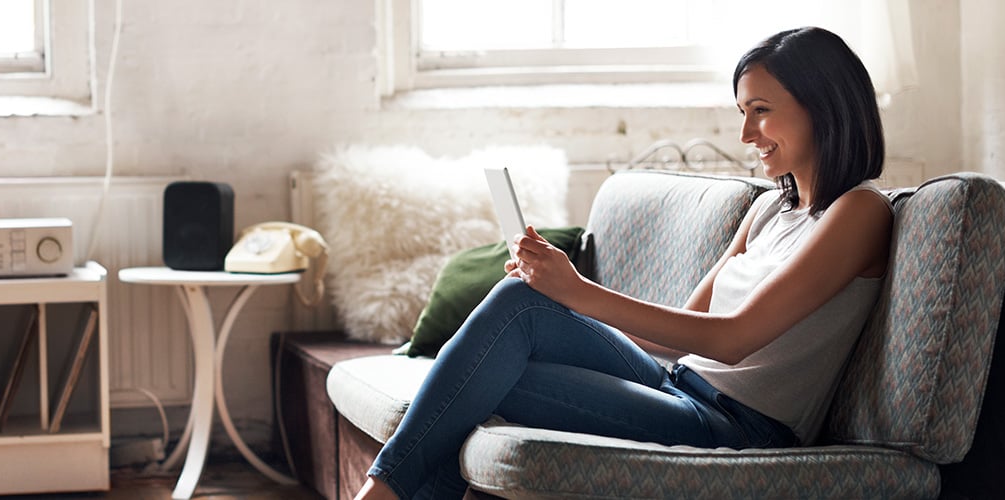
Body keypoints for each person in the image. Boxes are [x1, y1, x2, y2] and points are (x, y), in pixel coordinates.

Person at [354, 26, 893, 500]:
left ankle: (380, 492)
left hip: (736, 426)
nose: (747, 135)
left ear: (822, 105)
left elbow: (730, 340)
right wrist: (556, 291)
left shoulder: (859, 212)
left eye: (761, 111)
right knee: (521, 303)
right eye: (742, 113)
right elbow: (680, 334)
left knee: (478, 381)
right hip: (676, 383)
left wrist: (576, 289)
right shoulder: (768, 209)